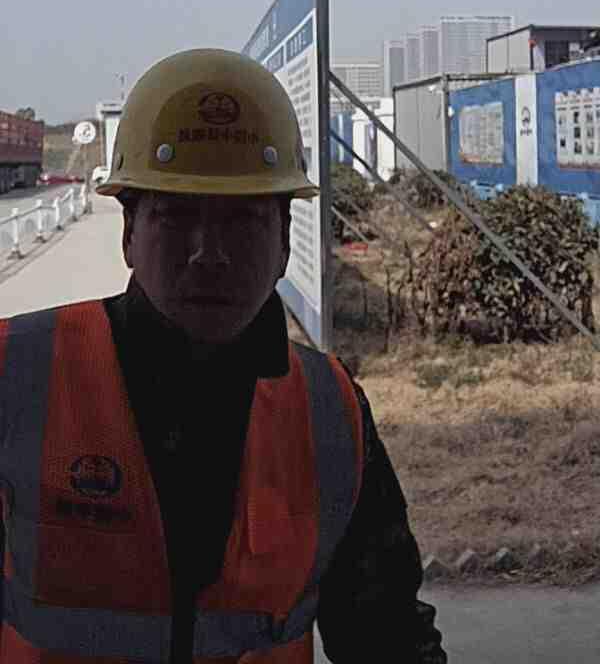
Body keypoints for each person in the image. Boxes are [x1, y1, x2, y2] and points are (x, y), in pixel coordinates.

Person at [0, 49, 447, 663]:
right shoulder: (16, 375)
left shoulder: (329, 412)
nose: (208, 253)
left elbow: (386, 635)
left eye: (242, 220)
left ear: (284, 240)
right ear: (129, 232)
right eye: (177, 216)